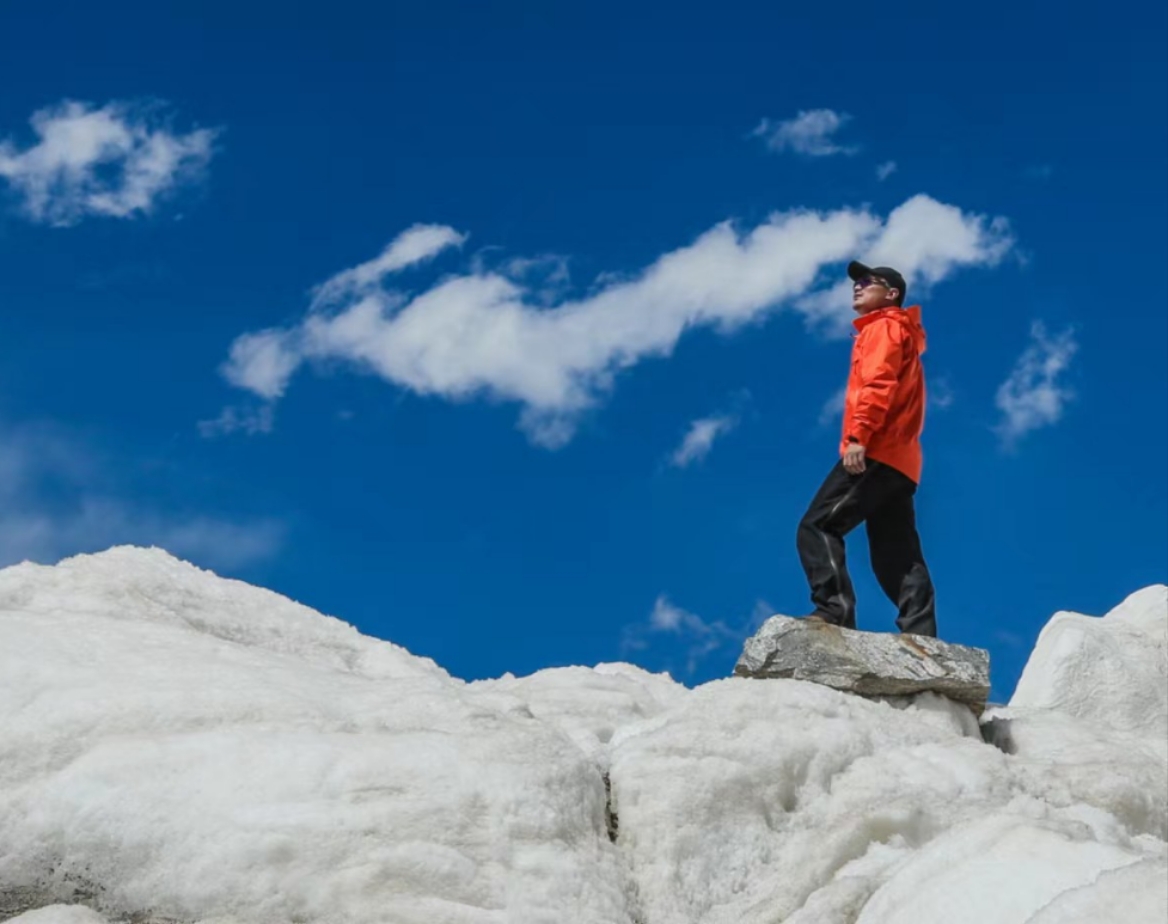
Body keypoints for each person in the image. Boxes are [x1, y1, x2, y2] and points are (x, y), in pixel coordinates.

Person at [795, 261, 937, 637]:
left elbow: (878, 384)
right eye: (855, 282)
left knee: (818, 525)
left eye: (867, 282)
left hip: (876, 448)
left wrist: (859, 436)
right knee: (897, 553)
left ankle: (834, 610)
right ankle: (920, 632)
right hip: (902, 460)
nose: (857, 287)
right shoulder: (900, 331)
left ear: (891, 294)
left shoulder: (885, 327)